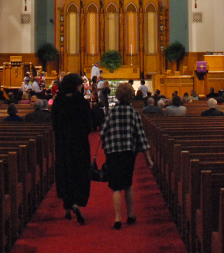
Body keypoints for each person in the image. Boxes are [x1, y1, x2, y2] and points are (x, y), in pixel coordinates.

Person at [100, 83, 153, 229]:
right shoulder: (134, 113)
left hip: (113, 152)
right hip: (129, 152)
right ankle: (130, 214)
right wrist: (148, 158)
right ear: (130, 97)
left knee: (116, 186)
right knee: (128, 184)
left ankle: (117, 218)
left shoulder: (111, 113)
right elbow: (141, 136)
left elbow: (102, 133)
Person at [51, 73, 92, 223]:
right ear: (76, 86)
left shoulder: (58, 102)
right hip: (80, 144)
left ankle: (67, 206)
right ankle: (76, 203)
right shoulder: (82, 102)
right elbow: (89, 124)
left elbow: (54, 124)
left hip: (63, 143)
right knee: (79, 172)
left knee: (65, 172)